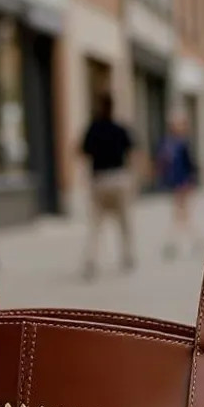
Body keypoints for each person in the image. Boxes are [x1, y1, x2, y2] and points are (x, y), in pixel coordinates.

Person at [80, 93, 134, 279]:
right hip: (118, 178)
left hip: (100, 180)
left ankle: (91, 259)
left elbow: (83, 151)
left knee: (96, 224)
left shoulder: (93, 128)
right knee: (124, 222)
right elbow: (131, 151)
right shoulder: (119, 129)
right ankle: (127, 256)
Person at [156, 114, 197, 258]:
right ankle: (186, 240)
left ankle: (179, 241)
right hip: (179, 181)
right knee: (181, 213)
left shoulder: (171, 144)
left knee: (181, 213)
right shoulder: (177, 144)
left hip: (179, 181)